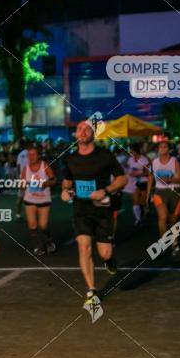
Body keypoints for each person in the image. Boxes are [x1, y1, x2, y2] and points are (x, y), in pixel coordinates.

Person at [61, 120, 127, 307]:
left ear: (93, 134)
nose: (82, 131)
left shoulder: (105, 156)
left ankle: (109, 260)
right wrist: (66, 191)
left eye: (86, 129)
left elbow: (122, 179)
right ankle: (92, 290)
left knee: (105, 252)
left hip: (102, 209)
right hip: (81, 209)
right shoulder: (70, 158)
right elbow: (67, 182)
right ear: (75, 135)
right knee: (84, 247)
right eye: (79, 128)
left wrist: (105, 191)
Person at [150, 140, 180, 256]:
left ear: (169, 149)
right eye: (161, 147)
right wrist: (147, 194)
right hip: (159, 192)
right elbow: (150, 177)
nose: (163, 149)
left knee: (173, 220)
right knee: (163, 217)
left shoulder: (174, 161)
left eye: (165, 147)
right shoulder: (154, 162)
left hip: (174, 192)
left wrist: (170, 180)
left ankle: (175, 243)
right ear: (158, 149)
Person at [20, 145, 56, 255]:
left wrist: (46, 183)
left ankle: (49, 241)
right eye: (29, 155)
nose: (31, 157)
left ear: (38, 155)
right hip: (30, 199)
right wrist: (23, 184)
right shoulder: (25, 168)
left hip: (43, 200)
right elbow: (22, 184)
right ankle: (38, 246)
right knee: (32, 224)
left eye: (33, 154)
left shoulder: (44, 166)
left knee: (43, 225)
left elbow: (54, 180)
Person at [125, 144, 150, 225]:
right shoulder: (130, 159)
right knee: (135, 200)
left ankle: (145, 208)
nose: (130, 152)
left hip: (144, 182)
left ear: (136, 151)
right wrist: (129, 172)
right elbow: (128, 169)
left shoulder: (144, 159)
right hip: (134, 182)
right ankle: (138, 218)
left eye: (131, 151)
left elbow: (147, 173)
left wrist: (138, 173)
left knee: (142, 201)